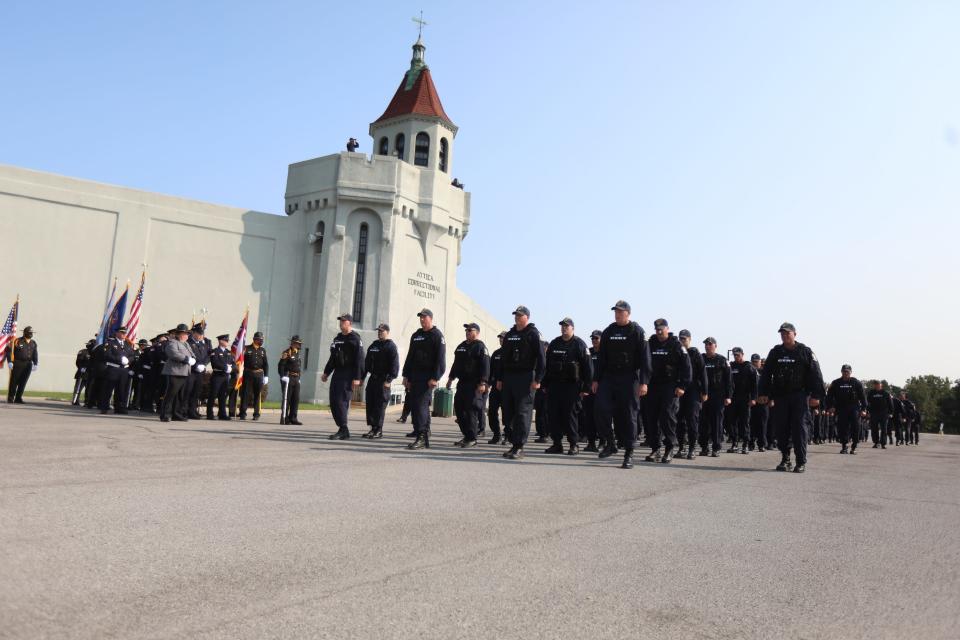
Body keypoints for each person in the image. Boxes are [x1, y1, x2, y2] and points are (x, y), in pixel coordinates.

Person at [592, 301, 652, 469]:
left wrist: (644, 382)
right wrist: (596, 379)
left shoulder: (637, 332)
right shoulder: (609, 331)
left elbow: (645, 359)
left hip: (629, 377)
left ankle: (629, 453)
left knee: (629, 415)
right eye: (616, 312)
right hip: (609, 377)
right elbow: (601, 358)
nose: (617, 314)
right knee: (600, 409)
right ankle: (610, 442)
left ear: (628, 313)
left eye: (620, 312)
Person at [758, 322, 825, 473]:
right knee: (781, 428)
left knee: (799, 428)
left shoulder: (805, 352)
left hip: (800, 395)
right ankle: (785, 458)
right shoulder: (775, 352)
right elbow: (766, 374)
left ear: (795, 334)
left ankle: (800, 461)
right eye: (782, 333)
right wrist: (763, 393)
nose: (784, 335)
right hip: (781, 395)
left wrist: (816, 396)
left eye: (787, 333)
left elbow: (816, 374)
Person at [498, 306, 545, 461]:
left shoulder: (532, 334)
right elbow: (503, 358)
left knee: (522, 412)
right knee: (508, 411)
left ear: (527, 317)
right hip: (510, 377)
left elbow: (541, 359)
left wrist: (538, 379)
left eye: (520, 315)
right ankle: (513, 442)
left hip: (526, 377)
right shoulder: (510, 334)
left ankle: (519, 446)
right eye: (516, 315)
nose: (517, 317)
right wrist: (499, 378)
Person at [643, 319, 691, 463]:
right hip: (653, 386)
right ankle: (655, 449)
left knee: (667, 416)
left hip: (670, 386)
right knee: (651, 418)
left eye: (661, 328)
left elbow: (686, 367)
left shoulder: (676, 345)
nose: (659, 331)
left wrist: (682, 386)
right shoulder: (650, 343)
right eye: (657, 329)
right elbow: (643, 363)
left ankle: (669, 448)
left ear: (667, 329)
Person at [542, 318, 592, 456]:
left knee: (570, 416)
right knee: (553, 415)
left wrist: (586, 387)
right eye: (562, 326)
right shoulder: (554, 343)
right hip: (554, 385)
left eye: (567, 326)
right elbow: (547, 365)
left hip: (572, 386)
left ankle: (573, 444)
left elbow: (588, 368)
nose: (564, 328)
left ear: (573, 328)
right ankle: (557, 444)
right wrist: (545, 383)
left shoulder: (579, 344)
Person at [402, 309, 446, 450]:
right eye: (420, 317)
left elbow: (440, 359)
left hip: (427, 377)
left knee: (421, 406)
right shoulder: (416, 335)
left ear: (430, 318)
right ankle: (423, 431)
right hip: (415, 376)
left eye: (424, 317)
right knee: (416, 406)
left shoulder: (437, 335)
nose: (421, 320)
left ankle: (421, 437)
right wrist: (406, 376)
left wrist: (435, 377)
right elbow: (410, 357)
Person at [446, 323, 491, 448]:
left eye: (470, 330)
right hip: (462, 383)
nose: (467, 332)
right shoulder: (461, 346)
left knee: (471, 410)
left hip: (474, 384)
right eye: (466, 330)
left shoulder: (480, 347)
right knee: (459, 409)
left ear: (477, 332)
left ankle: (472, 438)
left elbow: (485, 366)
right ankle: (466, 435)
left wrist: (483, 382)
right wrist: (450, 378)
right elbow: (456, 364)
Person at [322, 314, 365, 439]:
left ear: (349, 323)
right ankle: (342, 427)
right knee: (334, 400)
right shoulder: (338, 338)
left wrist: (358, 377)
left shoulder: (355, 338)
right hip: (338, 373)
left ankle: (343, 428)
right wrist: (326, 372)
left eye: (343, 321)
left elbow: (360, 359)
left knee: (341, 400)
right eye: (340, 321)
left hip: (349, 373)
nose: (341, 323)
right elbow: (333, 358)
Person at [363, 323, 400, 439]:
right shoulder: (374, 345)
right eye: (378, 331)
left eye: (382, 331)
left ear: (387, 332)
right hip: (372, 379)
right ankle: (372, 428)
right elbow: (366, 363)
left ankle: (378, 430)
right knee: (371, 404)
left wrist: (389, 379)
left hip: (383, 380)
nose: (379, 333)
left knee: (380, 406)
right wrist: (361, 377)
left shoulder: (391, 346)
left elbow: (395, 365)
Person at [676, 330, 707, 460]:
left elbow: (703, 373)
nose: (682, 341)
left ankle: (692, 448)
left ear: (689, 339)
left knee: (692, 420)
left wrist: (704, 392)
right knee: (678, 420)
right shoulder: (677, 352)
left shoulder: (695, 354)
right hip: (679, 389)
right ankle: (681, 447)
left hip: (693, 390)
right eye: (680, 339)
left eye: (684, 339)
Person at [825, 364, 867, 454]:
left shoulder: (856, 382)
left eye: (847, 371)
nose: (846, 373)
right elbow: (829, 396)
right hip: (841, 407)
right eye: (844, 371)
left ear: (851, 372)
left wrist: (864, 409)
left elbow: (863, 397)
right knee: (842, 427)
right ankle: (844, 446)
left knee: (856, 427)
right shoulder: (836, 383)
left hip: (854, 407)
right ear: (841, 372)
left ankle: (854, 446)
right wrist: (830, 406)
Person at [699, 338, 731, 457]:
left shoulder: (722, 360)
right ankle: (704, 447)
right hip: (703, 394)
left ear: (715, 346)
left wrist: (728, 396)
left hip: (718, 395)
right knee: (703, 422)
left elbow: (729, 380)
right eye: (706, 344)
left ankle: (716, 447)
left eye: (710, 344)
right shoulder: (701, 358)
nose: (707, 346)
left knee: (716, 422)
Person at [160, 324, 194, 422]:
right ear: (179, 334)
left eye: (187, 334)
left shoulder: (186, 344)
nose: (187, 336)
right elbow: (173, 353)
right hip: (175, 371)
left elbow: (192, 354)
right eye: (185, 333)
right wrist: (186, 359)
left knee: (180, 395)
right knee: (171, 394)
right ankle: (165, 414)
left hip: (184, 372)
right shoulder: (172, 342)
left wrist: (193, 359)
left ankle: (176, 413)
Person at [727, 347, 758, 455]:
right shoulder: (731, 366)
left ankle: (745, 444)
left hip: (745, 399)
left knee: (744, 423)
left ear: (742, 354)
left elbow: (755, 385)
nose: (736, 357)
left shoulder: (749, 367)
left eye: (738, 355)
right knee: (732, 422)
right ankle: (734, 443)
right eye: (734, 355)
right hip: (733, 398)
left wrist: (754, 398)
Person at [97, 327, 134, 414]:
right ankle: (104, 407)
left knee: (121, 390)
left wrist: (129, 360)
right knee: (108, 389)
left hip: (124, 370)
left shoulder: (128, 345)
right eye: (121, 333)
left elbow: (132, 355)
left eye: (124, 333)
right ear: (117, 333)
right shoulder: (110, 343)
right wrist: (119, 359)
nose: (123, 334)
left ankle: (119, 407)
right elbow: (107, 355)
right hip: (113, 369)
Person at [579, 330, 604, 453]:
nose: (594, 341)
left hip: (603, 390)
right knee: (589, 417)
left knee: (601, 417)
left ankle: (603, 442)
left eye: (596, 338)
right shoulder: (588, 352)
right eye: (592, 338)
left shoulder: (606, 352)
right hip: (589, 390)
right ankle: (591, 442)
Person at [239, 332, 269, 421]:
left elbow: (265, 364)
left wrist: (266, 376)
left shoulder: (263, 350)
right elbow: (240, 361)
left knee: (257, 395)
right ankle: (242, 413)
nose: (261, 341)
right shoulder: (246, 348)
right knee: (245, 394)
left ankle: (256, 414)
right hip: (248, 373)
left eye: (262, 340)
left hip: (259, 374)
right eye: (259, 339)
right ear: (254, 339)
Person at [184, 325, 210, 419]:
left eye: (201, 334)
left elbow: (208, 355)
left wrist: (204, 365)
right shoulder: (188, 343)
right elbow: (188, 356)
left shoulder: (203, 344)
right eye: (199, 334)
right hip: (191, 371)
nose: (200, 336)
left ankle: (193, 410)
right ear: (194, 333)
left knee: (197, 392)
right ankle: (184, 411)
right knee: (188, 391)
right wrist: (196, 365)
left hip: (200, 371)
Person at [6, 326, 39, 403]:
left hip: (28, 365)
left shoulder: (33, 343)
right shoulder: (17, 341)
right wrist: (10, 361)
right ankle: (11, 398)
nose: (30, 334)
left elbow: (35, 354)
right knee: (14, 381)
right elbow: (9, 351)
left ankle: (18, 398)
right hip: (18, 363)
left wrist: (35, 363)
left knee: (23, 382)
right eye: (29, 333)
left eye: (31, 333)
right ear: (24, 333)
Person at [207, 334, 235, 420]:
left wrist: (231, 368)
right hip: (217, 376)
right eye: (226, 340)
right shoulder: (215, 351)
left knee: (223, 396)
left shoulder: (228, 352)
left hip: (225, 377)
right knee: (213, 395)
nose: (227, 342)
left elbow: (233, 363)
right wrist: (225, 367)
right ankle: (210, 414)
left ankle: (222, 414)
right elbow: (215, 363)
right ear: (220, 341)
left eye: (227, 340)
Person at [278, 336, 304, 425]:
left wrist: (299, 378)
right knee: (287, 399)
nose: (299, 345)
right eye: (297, 343)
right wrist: (282, 376)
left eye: (299, 343)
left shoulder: (298, 354)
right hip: (288, 378)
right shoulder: (287, 352)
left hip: (296, 378)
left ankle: (293, 417)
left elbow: (298, 367)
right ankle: (285, 418)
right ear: (293, 343)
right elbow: (281, 365)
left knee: (295, 399)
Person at [486, 332, 506, 445]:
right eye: (500, 338)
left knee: (507, 413)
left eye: (503, 338)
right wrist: (487, 383)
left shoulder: (511, 352)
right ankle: (496, 434)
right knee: (492, 411)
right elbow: (491, 370)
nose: (501, 340)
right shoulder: (496, 353)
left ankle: (508, 435)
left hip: (507, 388)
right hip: (495, 388)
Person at [749, 354, 770, 451]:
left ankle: (762, 444)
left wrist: (771, 399)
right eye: (753, 362)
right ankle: (751, 443)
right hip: (751, 401)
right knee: (751, 424)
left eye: (756, 362)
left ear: (760, 362)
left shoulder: (765, 373)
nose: (754, 363)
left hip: (763, 402)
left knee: (762, 425)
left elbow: (771, 386)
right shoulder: (748, 371)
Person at [72, 339, 94, 406]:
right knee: (78, 387)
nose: (88, 345)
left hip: (90, 373)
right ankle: (75, 400)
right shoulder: (83, 352)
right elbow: (78, 362)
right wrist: (81, 368)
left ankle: (87, 402)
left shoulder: (95, 353)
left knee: (89, 389)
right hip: (82, 373)